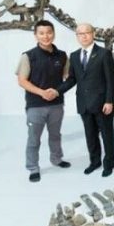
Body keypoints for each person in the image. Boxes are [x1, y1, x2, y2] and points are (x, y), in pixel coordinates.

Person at [55, 23, 114, 177]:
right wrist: (57, 91)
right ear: (77, 36)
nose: (83, 36)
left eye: (86, 33)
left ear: (93, 34)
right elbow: (72, 79)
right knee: (90, 135)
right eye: (80, 34)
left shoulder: (104, 54)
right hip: (83, 103)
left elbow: (111, 80)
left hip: (102, 103)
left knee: (107, 135)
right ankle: (94, 161)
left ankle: (108, 164)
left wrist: (109, 101)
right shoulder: (74, 56)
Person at [16, 20, 71, 182]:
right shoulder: (28, 56)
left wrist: (57, 91)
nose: (46, 36)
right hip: (35, 105)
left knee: (55, 135)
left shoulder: (62, 56)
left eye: (49, 32)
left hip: (56, 104)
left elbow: (68, 78)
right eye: (41, 33)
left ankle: (57, 159)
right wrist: (42, 93)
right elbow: (22, 81)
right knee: (34, 139)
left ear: (53, 34)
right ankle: (33, 167)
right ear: (35, 35)